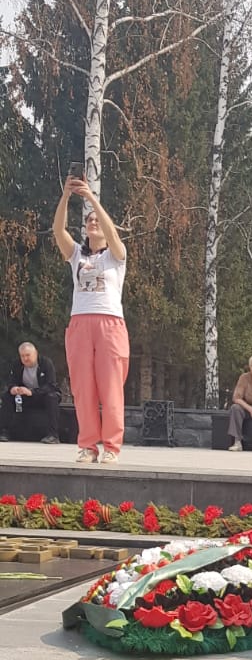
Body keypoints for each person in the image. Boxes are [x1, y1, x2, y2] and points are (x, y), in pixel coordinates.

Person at [52, 175, 128, 464]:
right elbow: (58, 230)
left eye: (97, 220)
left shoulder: (116, 256)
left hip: (110, 324)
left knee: (110, 388)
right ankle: (87, 446)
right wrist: (66, 196)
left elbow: (112, 233)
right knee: (83, 389)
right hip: (80, 324)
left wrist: (92, 199)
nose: (92, 222)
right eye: (89, 220)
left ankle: (111, 447)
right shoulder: (76, 255)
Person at [0, 343, 61, 443]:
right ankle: (4, 432)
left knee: (52, 397)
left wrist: (32, 392)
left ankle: (53, 435)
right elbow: (11, 381)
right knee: (6, 396)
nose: (25, 359)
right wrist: (13, 388)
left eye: (28, 355)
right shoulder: (17, 364)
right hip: (24, 396)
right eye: (22, 356)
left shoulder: (46, 363)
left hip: (43, 396)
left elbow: (51, 385)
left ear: (35, 353)